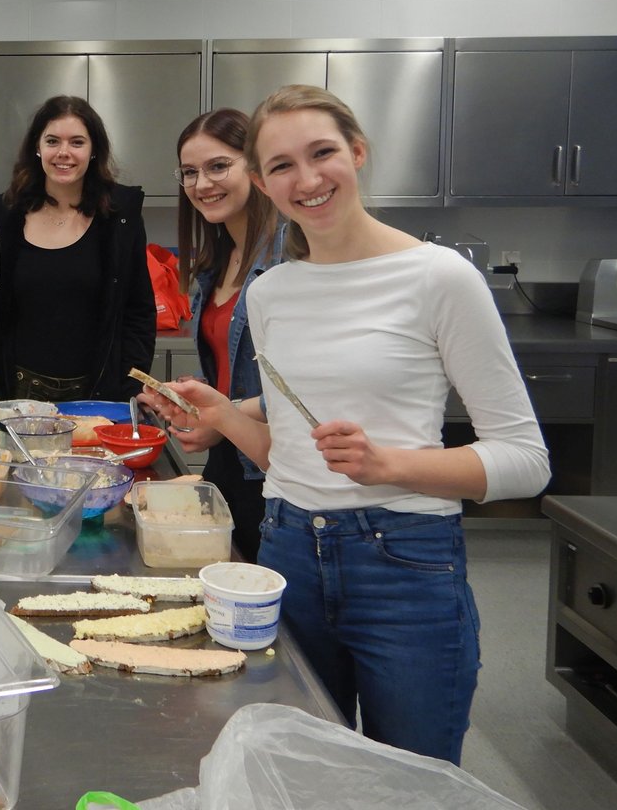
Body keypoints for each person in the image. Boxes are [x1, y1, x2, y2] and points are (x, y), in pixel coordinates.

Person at [143, 85, 550, 764]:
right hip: (287, 551)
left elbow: (527, 460)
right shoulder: (271, 293)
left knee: (409, 781)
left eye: (322, 153)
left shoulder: (439, 278)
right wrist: (222, 414)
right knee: (303, 772)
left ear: (357, 152)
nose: (306, 180)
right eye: (281, 165)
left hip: (405, 563)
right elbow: (285, 455)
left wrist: (391, 464)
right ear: (263, 182)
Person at [0, 95, 155, 402]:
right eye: (52, 141)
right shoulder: (6, 216)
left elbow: (138, 311)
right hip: (19, 394)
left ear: (93, 150)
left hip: (97, 395)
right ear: (37, 148)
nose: (64, 153)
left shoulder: (119, 218)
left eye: (77, 142)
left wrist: (134, 384)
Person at [164, 109, 285, 561]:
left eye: (218, 166)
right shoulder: (217, 261)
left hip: (275, 474)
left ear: (255, 166)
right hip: (230, 465)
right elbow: (231, 374)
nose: (202, 184)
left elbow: (304, 394)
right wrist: (191, 400)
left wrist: (220, 415)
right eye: (189, 172)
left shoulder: (290, 258)